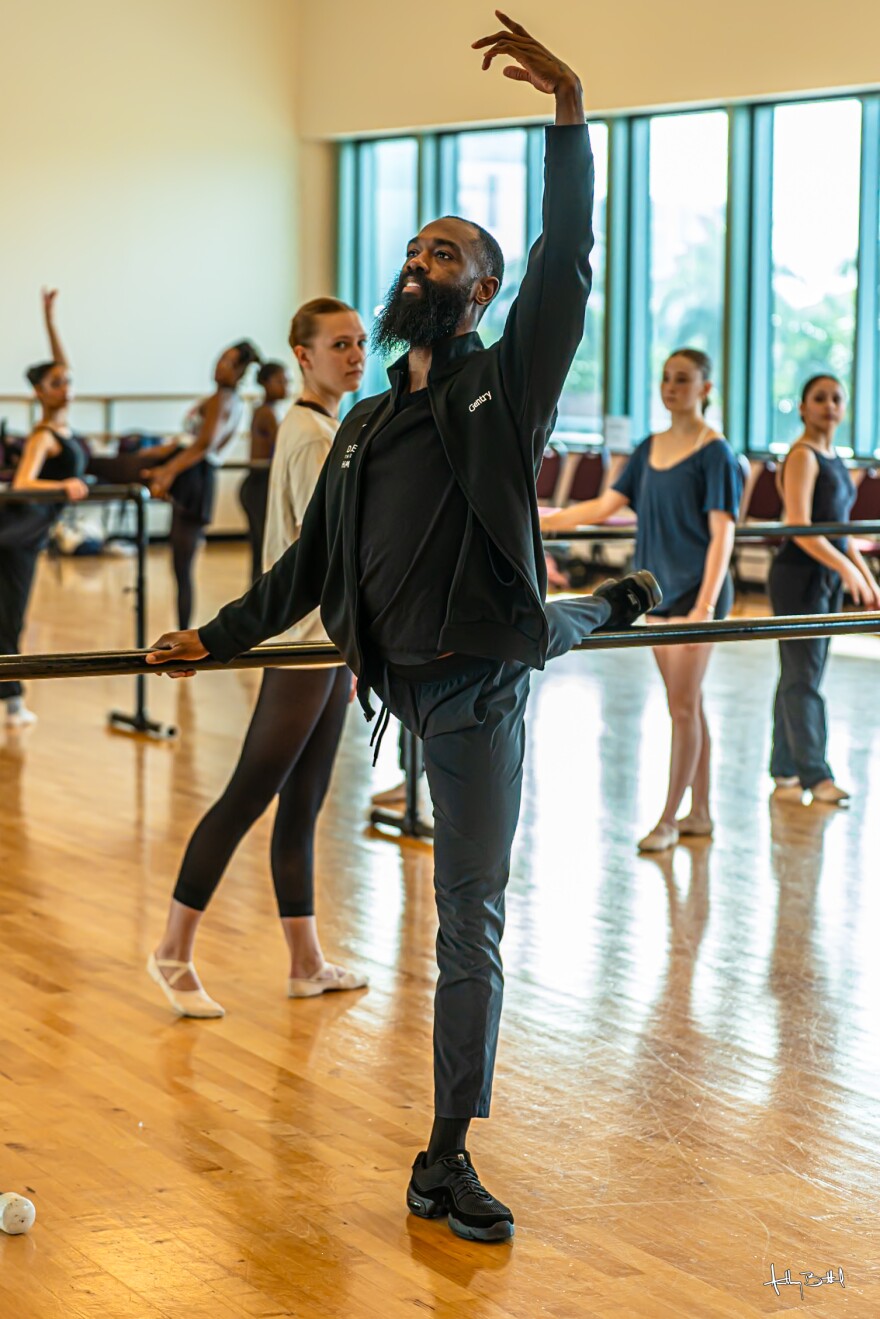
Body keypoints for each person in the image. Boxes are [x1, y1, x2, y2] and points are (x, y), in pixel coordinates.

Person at [146, 12, 659, 1243]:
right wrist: (209, 637)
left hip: (476, 684)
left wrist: (571, 113)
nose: (424, 259)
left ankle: (442, 1155)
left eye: (449, 252)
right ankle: (604, 601)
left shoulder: (502, 383)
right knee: (557, 620)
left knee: (465, 921)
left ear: (479, 289)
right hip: (402, 679)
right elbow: (308, 576)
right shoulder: (367, 425)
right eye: (417, 247)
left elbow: (570, 258)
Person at [147, 299, 369, 1017]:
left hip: (327, 644)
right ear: (303, 356)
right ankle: (173, 949)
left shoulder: (331, 428)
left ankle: (306, 962)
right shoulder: (310, 435)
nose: (356, 354)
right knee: (249, 794)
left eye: (361, 342)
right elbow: (318, 553)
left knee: (302, 805)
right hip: (302, 644)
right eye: (339, 344)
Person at [542, 348, 743, 852]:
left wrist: (706, 605)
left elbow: (723, 534)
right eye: (666, 378)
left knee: (681, 707)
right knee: (687, 704)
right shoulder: (649, 447)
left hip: (699, 592)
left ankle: (670, 819)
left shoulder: (714, 452)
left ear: (706, 389)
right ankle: (700, 812)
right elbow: (606, 504)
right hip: (657, 590)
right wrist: (543, 519)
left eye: (683, 380)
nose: (671, 387)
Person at [89, 341, 262, 628]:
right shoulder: (219, 397)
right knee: (179, 564)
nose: (219, 366)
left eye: (229, 363)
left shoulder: (225, 398)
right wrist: (155, 453)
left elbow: (204, 446)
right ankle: (184, 630)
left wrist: (167, 471)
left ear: (240, 371)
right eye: (220, 359)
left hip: (192, 473)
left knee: (182, 565)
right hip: (185, 465)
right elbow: (188, 441)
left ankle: (185, 632)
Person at [769, 374, 880, 803]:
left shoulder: (835, 457)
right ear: (802, 407)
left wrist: (863, 574)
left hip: (825, 574)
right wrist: (845, 570)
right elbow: (799, 527)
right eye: (819, 398)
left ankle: (784, 768)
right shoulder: (802, 456)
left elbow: (840, 530)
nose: (829, 406)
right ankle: (817, 776)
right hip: (799, 576)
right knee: (803, 677)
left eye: (836, 398)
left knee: (801, 672)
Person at [0, 289, 89, 728]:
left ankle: (12, 698)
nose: (67, 388)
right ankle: (13, 701)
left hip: (27, 534)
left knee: (11, 615)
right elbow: (22, 484)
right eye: (57, 384)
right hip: (15, 534)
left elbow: (61, 364)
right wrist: (63, 484)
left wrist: (50, 320)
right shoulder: (43, 435)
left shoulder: (61, 425)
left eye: (67, 381)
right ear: (39, 392)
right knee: (10, 616)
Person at [240, 360, 290, 585]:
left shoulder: (267, 411)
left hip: (258, 484)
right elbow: (285, 447)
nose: (286, 386)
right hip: (258, 484)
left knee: (260, 549)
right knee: (263, 549)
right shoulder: (266, 414)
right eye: (280, 381)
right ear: (267, 383)